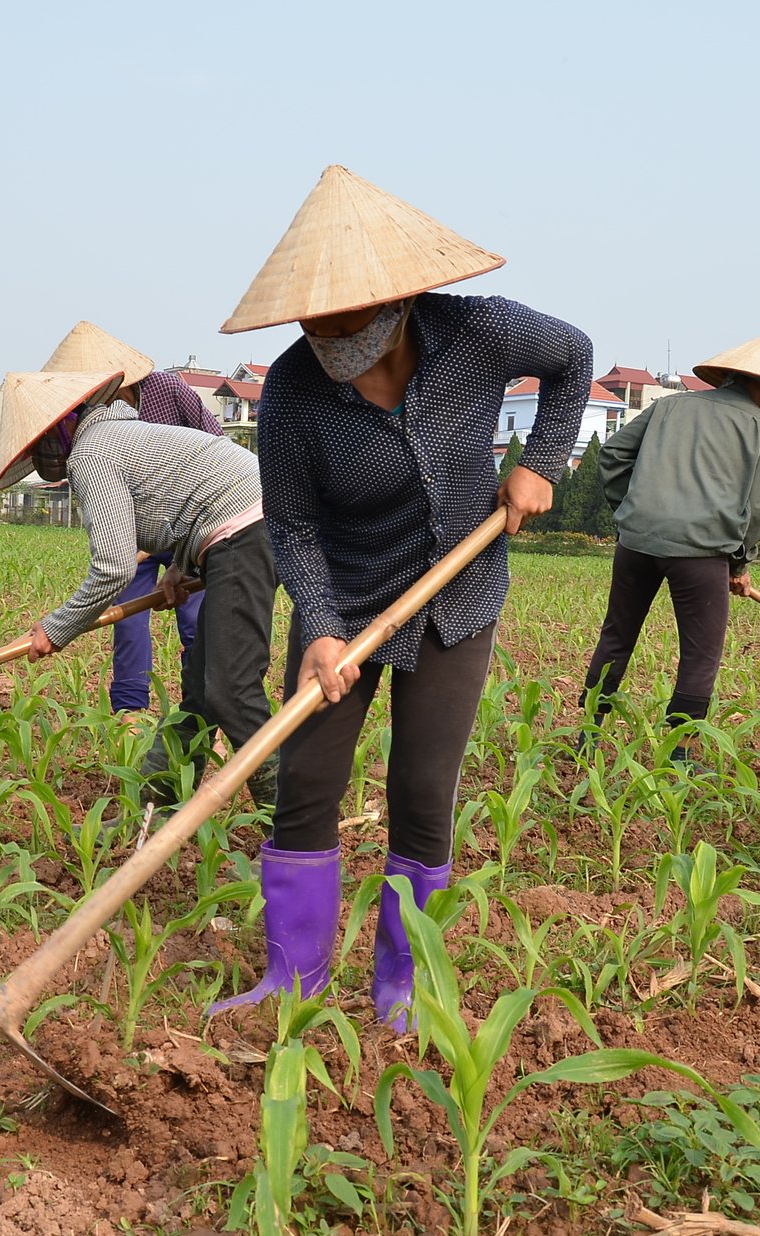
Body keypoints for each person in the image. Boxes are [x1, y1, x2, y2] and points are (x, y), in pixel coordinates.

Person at [207, 164, 593, 1029]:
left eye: (350, 320)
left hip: (460, 592)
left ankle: (403, 987)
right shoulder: (293, 395)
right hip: (342, 601)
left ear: (400, 299)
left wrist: (540, 462)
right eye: (316, 322)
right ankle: (293, 982)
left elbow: (574, 359)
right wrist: (318, 627)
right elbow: (296, 528)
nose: (331, 337)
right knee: (308, 779)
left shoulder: (478, 333)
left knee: (423, 786)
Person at [0, 368, 278, 809]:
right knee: (201, 689)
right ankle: (152, 810)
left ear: (66, 423)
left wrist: (57, 628)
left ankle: (293, 829)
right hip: (239, 526)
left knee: (231, 688)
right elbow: (182, 497)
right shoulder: (119, 435)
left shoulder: (92, 453)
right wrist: (180, 567)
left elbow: (113, 567)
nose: (42, 451)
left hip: (247, 527)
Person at [580, 331, 760, 762]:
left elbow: (612, 455)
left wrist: (632, 510)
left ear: (726, 376)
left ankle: (588, 734)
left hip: (637, 542)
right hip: (702, 553)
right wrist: (739, 563)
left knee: (617, 635)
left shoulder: (668, 405)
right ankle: (681, 754)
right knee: (701, 653)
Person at [40, 321, 225, 721]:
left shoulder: (170, 390)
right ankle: (130, 711)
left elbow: (216, 446)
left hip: (190, 532)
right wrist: (136, 545)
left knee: (196, 622)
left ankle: (206, 714)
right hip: (135, 536)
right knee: (127, 623)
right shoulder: (88, 425)